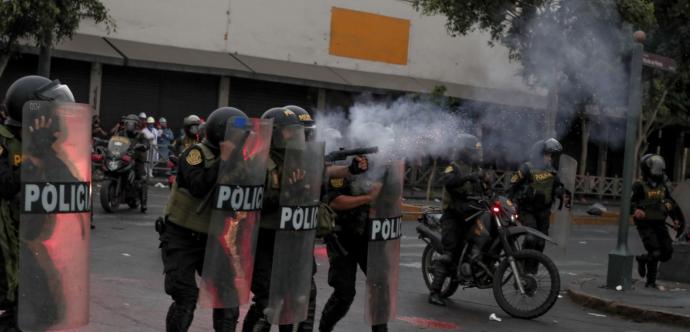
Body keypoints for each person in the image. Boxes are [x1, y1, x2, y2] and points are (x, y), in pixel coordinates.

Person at [160, 107, 249, 332]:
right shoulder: (195, 154)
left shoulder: (242, 161)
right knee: (186, 297)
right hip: (182, 236)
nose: (240, 140)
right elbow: (198, 187)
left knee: (227, 297)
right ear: (221, 133)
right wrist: (223, 162)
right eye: (236, 134)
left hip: (214, 237)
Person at [0, 75, 76, 331]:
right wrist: (34, 158)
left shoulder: (39, 143)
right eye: (50, 111)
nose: (55, 117)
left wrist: (45, 152)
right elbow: (8, 186)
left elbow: (72, 188)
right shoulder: (3, 143)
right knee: (12, 314)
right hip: (3, 247)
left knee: (47, 311)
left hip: (26, 243)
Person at [318, 162, 384, 332]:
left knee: (379, 287)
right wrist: (368, 198)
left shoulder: (379, 166)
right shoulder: (342, 168)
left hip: (369, 237)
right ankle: (324, 328)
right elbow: (334, 201)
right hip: (342, 238)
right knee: (344, 294)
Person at [428, 134, 487, 306]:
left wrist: (486, 184)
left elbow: (482, 189)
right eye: (473, 151)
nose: (476, 154)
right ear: (464, 151)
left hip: (470, 214)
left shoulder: (475, 168)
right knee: (449, 254)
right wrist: (468, 178)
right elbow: (447, 181)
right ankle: (434, 292)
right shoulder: (453, 166)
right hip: (453, 215)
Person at [508, 138, 567, 273]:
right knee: (531, 238)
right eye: (547, 155)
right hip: (526, 210)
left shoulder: (552, 171)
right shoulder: (526, 168)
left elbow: (559, 187)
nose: (549, 158)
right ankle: (521, 267)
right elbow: (513, 186)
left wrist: (560, 191)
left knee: (540, 242)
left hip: (543, 212)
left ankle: (531, 272)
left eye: (551, 155)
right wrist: (509, 203)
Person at [632, 154, 685, 290]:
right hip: (645, 224)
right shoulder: (639, 186)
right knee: (655, 251)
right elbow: (630, 202)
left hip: (659, 223)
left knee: (666, 252)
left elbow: (670, 204)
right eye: (656, 168)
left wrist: (677, 220)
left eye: (660, 168)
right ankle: (650, 282)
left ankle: (642, 259)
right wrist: (636, 210)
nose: (659, 171)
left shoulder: (663, 186)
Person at [117, 114, 150, 212]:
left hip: (137, 159)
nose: (130, 125)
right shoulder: (121, 133)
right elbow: (115, 141)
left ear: (136, 125)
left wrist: (143, 145)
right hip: (123, 158)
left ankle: (143, 204)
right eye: (128, 123)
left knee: (142, 178)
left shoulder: (141, 135)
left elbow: (146, 144)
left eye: (132, 124)